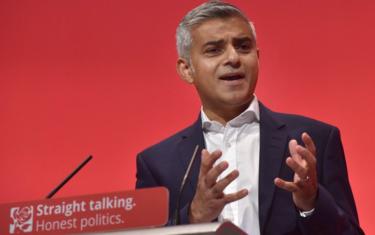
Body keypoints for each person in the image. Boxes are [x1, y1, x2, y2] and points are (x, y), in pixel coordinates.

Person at [135, 1, 364, 234]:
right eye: (214, 50)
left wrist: (311, 203)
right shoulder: (157, 163)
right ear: (186, 69)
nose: (233, 58)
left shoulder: (313, 141)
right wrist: (194, 217)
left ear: (258, 57)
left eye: (243, 47)